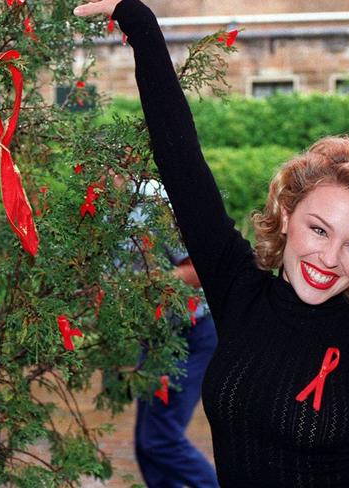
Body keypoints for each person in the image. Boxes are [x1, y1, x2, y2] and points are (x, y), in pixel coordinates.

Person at [74, 1, 349, 487]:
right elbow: (181, 164)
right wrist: (140, 23)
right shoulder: (238, 292)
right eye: (319, 229)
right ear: (286, 215)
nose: (329, 259)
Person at [126, 179, 220, 487]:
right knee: (147, 444)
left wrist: (150, 284)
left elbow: (199, 269)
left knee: (160, 439)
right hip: (157, 336)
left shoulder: (153, 202)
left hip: (193, 333)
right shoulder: (99, 216)